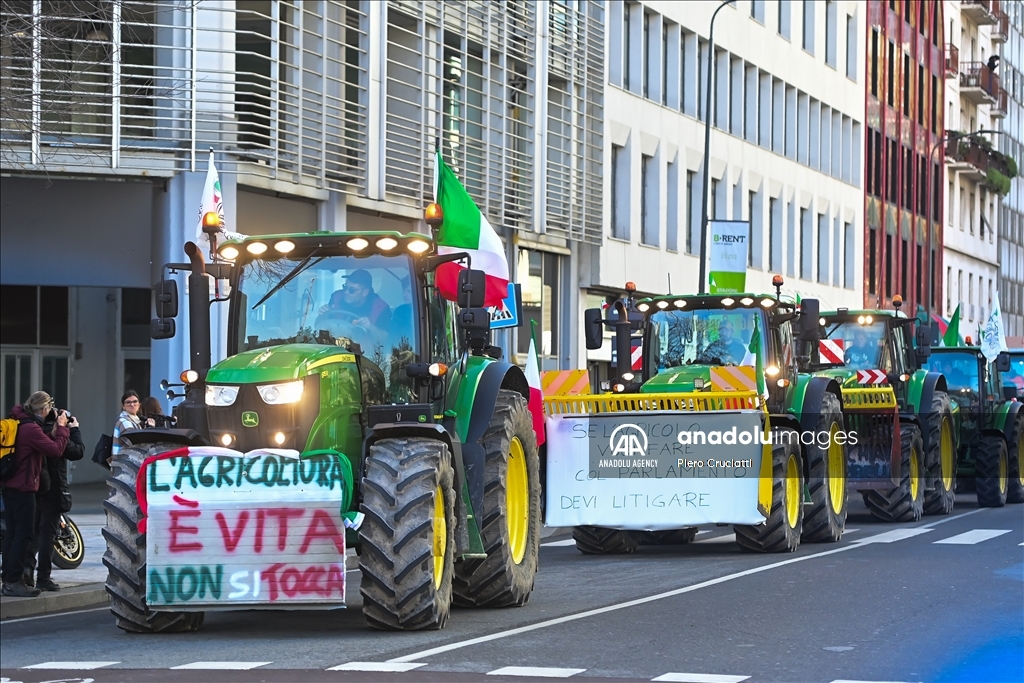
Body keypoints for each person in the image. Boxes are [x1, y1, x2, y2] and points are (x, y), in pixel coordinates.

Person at [1, 391, 69, 597]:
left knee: (12, 534)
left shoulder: (21, 423)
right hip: (24, 488)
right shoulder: (31, 428)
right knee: (24, 534)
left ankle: (9, 579)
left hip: (10, 486)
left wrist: (54, 430)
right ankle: (14, 581)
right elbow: (56, 450)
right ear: (45, 408)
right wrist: (64, 429)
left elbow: (37, 444)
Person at [23, 405, 84, 592]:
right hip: (53, 488)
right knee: (48, 535)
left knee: (33, 532)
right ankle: (43, 578)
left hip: (34, 487)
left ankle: (26, 571)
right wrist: (74, 430)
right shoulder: (59, 433)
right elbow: (77, 451)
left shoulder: (34, 429)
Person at [314, 269, 392, 348]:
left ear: (365, 292)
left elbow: (384, 340)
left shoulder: (380, 308)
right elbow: (319, 327)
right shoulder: (336, 298)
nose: (346, 292)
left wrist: (370, 327)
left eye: (352, 290)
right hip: (333, 349)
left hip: (365, 356)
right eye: (345, 287)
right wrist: (322, 314)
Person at [111, 390, 149, 465]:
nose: (132, 404)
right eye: (128, 402)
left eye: (135, 402)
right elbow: (136, 443)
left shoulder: (134, 420)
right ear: (123, 406)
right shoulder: (124, 422)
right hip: (126, 465)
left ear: (139, 405)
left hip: (127, 464)